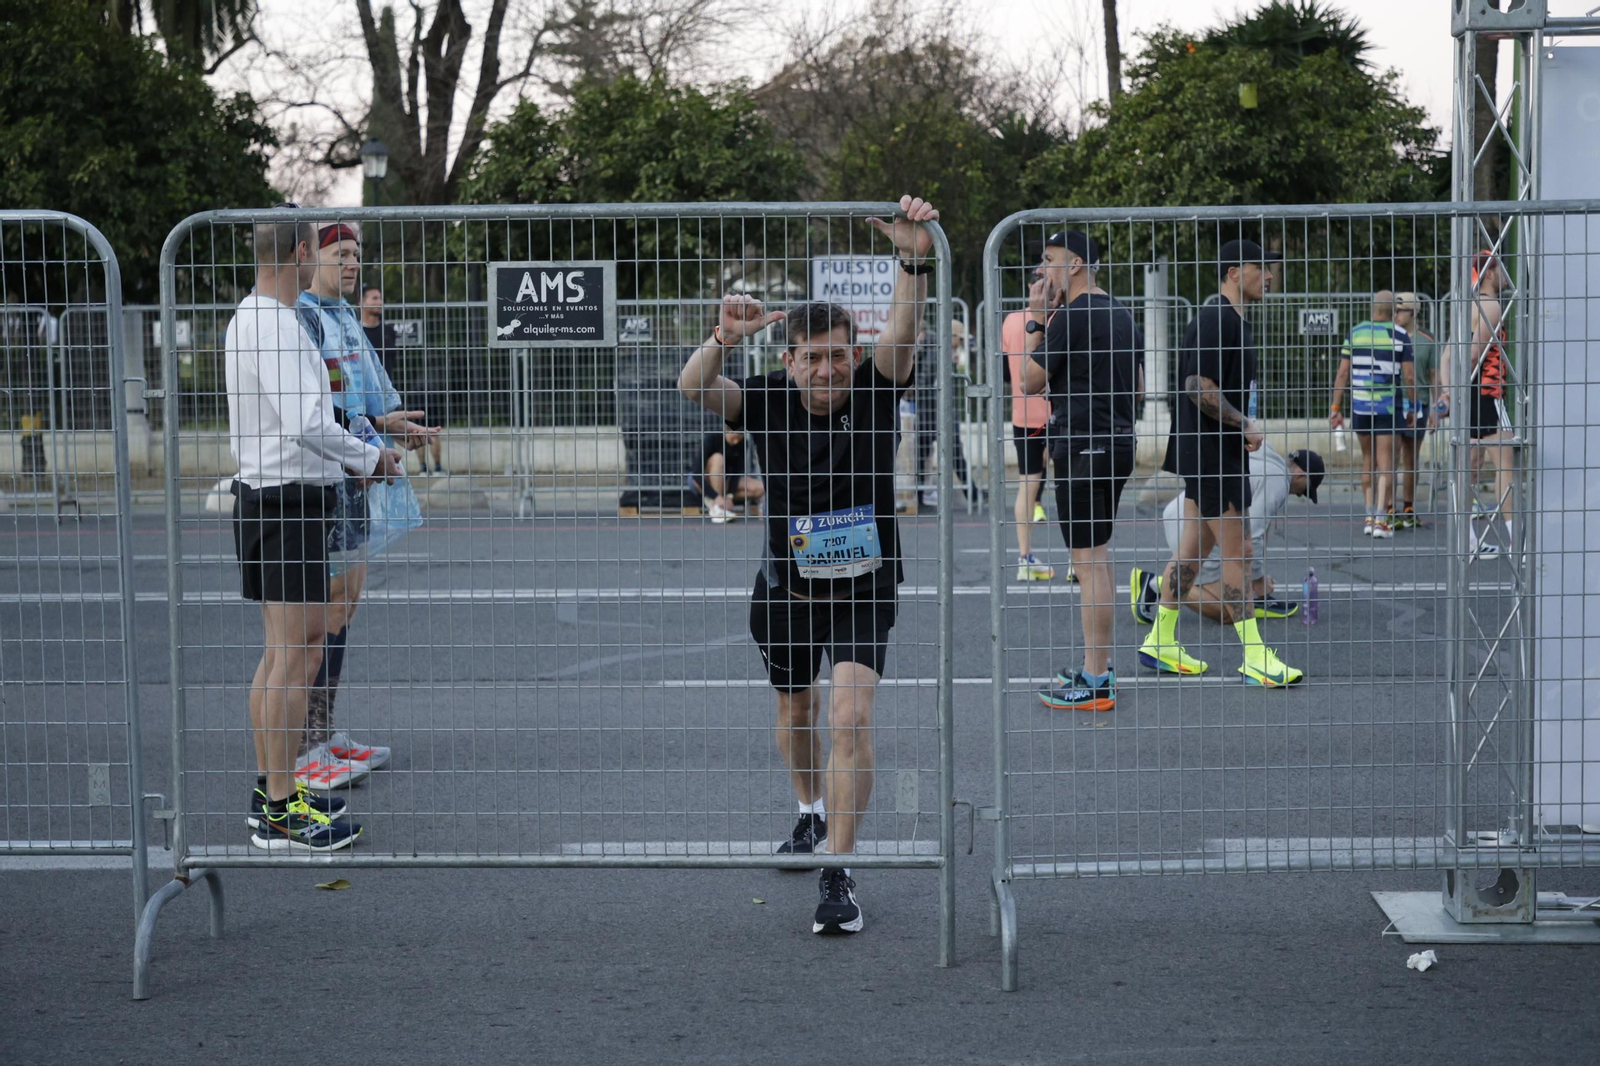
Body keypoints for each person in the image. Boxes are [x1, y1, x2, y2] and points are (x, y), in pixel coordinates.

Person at [677, 193, 939, 936]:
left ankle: (841, 871)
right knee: (798, 710)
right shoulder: (762, 398)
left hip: (864, 584)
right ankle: (809, 809)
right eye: (812, 358)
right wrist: (722, 338)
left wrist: (911, 257)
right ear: (787, 360)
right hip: (786, 587)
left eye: (837, 356)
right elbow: (693, 388)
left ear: (852, 356)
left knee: (850, 718)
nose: (827, 370)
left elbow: (903, 328)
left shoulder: (877, 389)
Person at [227, 210, 404, 850]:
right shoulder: (275, 325)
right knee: (293, 658)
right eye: (317, 249)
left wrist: (370, 440)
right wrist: (371, 457)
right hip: (287, 502)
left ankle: (273, 793)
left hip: (273, 498)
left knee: (284, 656)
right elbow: (308, 422)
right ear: (301, 251)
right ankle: (280, 806)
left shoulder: (254, 316)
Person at [295, 222, 437, 791]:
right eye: (342, 254)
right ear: (311, 257)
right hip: (321, 484)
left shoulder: (346, 317)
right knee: (322, 611)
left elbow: (361, 399)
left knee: (346, 603)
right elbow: (315, 413)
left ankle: (325, 732)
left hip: (353, 481)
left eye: (357, 255)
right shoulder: (303, 318)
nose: (353, 265)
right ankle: (305, 745)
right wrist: (373, 429)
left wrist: (388, 424)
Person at [1139, 238, 1304, 687]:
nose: (1270, 276)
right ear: (1234, 271)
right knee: (1240, 553)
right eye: (1262, 268)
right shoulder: (1217, 318)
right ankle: (1254, 655)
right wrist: (1243, 423)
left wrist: (1239, 425)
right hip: (1212, 454)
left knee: (1192, 552)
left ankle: (1160, 640)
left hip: (1213, 451)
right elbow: (1198, 384)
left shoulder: (1233, 322)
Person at [1019, 231, 1140, 711]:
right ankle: (1100, 665)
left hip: (1085, 448)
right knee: (1099, 558)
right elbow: (1137, 384)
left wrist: (1035, 317)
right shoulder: (1120, 311)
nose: (1042, 273)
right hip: (1115, 444)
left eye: (1048, 262)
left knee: (1088, 565)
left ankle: (1095, 681)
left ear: (1073, 266)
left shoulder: (1073, 313)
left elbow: (1029, 379)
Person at [1131, 445, 1324, 624]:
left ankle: (1176, 584)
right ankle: (1155, 584)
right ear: (1300, 474)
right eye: (1305, 490)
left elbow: (1259, 532)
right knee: (1228, 611)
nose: (1300, 495)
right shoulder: (1278, 481)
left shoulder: (1265, 454)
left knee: (1233, 587)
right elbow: (1253, 535)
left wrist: (1258, 576)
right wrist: (1257, 583)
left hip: (1187, 514)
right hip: (1195, 525)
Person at [1438, 250, 1514, 559]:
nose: (1507, 275)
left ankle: (1468, 542)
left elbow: (1446, 357)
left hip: (1468, 395)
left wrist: (1448, 394)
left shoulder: (1465, 306)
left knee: (1469, 467)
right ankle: (1516, 543)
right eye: (1503, 268)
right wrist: (1458, 391)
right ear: (1490, 273)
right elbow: (1472, 355)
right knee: (1505, 467)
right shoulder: (1490, 305)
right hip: (1485, 395)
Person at [1328, 291, 1415, 539]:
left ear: (1371, 308)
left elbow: (1342, 374)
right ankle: (1381, 520)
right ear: (1393, 311)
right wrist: (1412, 406)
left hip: (1361, 406)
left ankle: (1367, 516)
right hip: (1388, 407)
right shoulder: (1400, 335)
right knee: (1387, 464)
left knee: (1368, 460)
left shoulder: (1355, 333)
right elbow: (1409, 376)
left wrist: (1335, 408)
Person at [1000, 288, 1058, 582]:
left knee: (1027, 484)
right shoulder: (1060, 318)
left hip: (1023, 414)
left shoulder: (1010, 321)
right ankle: (1079, 559)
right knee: (1071, 483)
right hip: (1058, 412)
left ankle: (1025, 557)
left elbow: (1006, 373)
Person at [361, 284, 446, 475]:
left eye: (380, 297)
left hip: (385, 396)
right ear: (361, 302)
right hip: (362, 395)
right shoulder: (356, 332)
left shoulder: (388, 331)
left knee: (396, 437)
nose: (379, 302)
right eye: (374, 298)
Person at [912, 323, 973, 510]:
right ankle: (971, 492)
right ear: (951, 336)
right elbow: (925, 379)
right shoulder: (938, 350)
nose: (959, 344)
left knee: (931, 452)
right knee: (939, 451)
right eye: (959, 339)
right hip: (933, 408)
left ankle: (972, 492)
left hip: (933, 407)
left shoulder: (938, 348)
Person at [1392, 292, 1435, 528]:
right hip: (1392, 403)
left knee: (1411, 457)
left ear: (1414, 313)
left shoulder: (1426, 341)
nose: (1396, 314)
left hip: (1419, 405)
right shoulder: (1388, 337)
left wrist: (1437, 409)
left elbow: (1433, 377)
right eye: (1394, 310)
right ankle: (1388, 508)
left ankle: (1408, 507)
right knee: (1390, 457)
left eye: (1401, 310)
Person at [692, 429, 764, 523]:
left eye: (740, 438)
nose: (736, 442)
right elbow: (696, 474)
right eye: (734, 438)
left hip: (725, 481)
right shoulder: (712, 439)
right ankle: (717, 506)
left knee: (760, 487)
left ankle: (723, 502)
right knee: (718, 458)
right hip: (704, 480)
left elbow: (737, 472)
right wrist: (717, 496)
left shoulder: (742, 443)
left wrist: (729, 496)